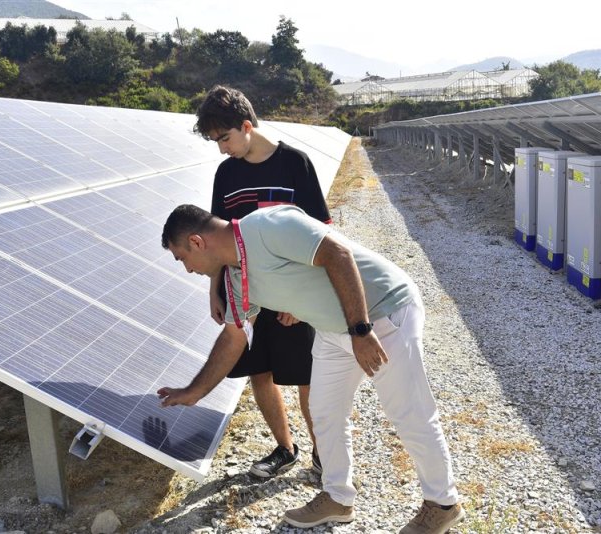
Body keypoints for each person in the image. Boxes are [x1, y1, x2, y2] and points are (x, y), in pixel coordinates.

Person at [157, 204, 464, 532]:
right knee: (325, 412)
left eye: (182, 258)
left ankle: (442, 503)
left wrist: (360, 330)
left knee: (408, 410)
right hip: (334, 329)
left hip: (382, 310)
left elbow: (337, 255)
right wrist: (195, 391)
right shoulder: (235, 276)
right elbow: (233, 338)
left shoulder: (266, 227)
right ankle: (337, 497)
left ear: (197, 242)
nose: (187, 269)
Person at [193, 85, 332, 478]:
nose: (222, 148)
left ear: (247, 126)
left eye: (225, 138)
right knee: (260, 372)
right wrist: (214, 289)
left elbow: (321, 236)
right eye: (214, 141)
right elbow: (219, 238)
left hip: (292, 290)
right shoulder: (227, 174)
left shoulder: (295, 164)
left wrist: (299, 299)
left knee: (306, 377)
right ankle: (285, 450)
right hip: (246, 294)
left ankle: (325, 457)